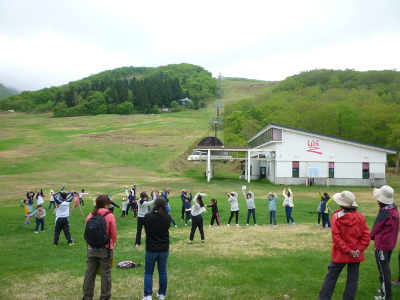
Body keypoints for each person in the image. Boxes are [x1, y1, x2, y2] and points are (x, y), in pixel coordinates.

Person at [318, 190, 370, 300]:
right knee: (352, 279)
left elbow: (336, 238)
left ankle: (323, 298)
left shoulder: (336, 217)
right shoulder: (361, 217)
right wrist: (358, 250)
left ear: (341, 204)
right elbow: (366, 236)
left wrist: (349, 250)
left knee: (331, 277)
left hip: (341, 253)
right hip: (356, 254)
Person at [82, 194, 117, 300]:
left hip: (91, 248)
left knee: (89, 273)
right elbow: (113, 233)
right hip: (105, 249)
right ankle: (105, 297)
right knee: (105, 274)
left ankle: (87, 296)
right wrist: (112, 244)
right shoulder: (109, 216)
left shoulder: (90, 215)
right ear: (106, 204)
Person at [371, 185, 399, 300]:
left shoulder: (384, 212)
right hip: (390, 243)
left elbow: (375, 229)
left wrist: (369, 236)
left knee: (383, 270)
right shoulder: (394, 209)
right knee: (385, 267)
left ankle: (386, 295)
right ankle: (384, 288)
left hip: (382, 245)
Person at [142, 197, 171, 300]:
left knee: (149, 272)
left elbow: (146, 227)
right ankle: (162, 294)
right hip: (163, 248)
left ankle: (148, 294)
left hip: (151, 248)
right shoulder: (167, 217)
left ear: (154, 205)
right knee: (162, 272)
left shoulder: (148, 216)